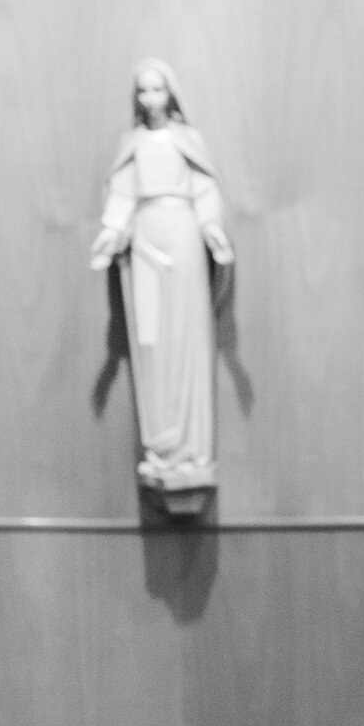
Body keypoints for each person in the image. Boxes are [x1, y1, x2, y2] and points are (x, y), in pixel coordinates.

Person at [90, 61, 233, 504]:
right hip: (145, 240)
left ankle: (191, 453)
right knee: (151, 342)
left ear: (171, 93)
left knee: (185, 337)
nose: (151, 98)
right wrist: (111, 232)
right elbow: (122, 196)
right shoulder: (131, 144)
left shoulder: (187, 142)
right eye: (143, 91)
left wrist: (212, 229)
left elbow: (205, 189)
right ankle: (162, 446)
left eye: (158, 89)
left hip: (184, 234)